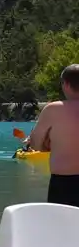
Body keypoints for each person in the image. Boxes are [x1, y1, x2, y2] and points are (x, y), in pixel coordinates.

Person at [26, 64, 79, 207]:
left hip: (64, 183)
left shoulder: (54, 109)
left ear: (66, 84)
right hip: (64, 182)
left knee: (62, 227)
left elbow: (36, 145)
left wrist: (49, 144)